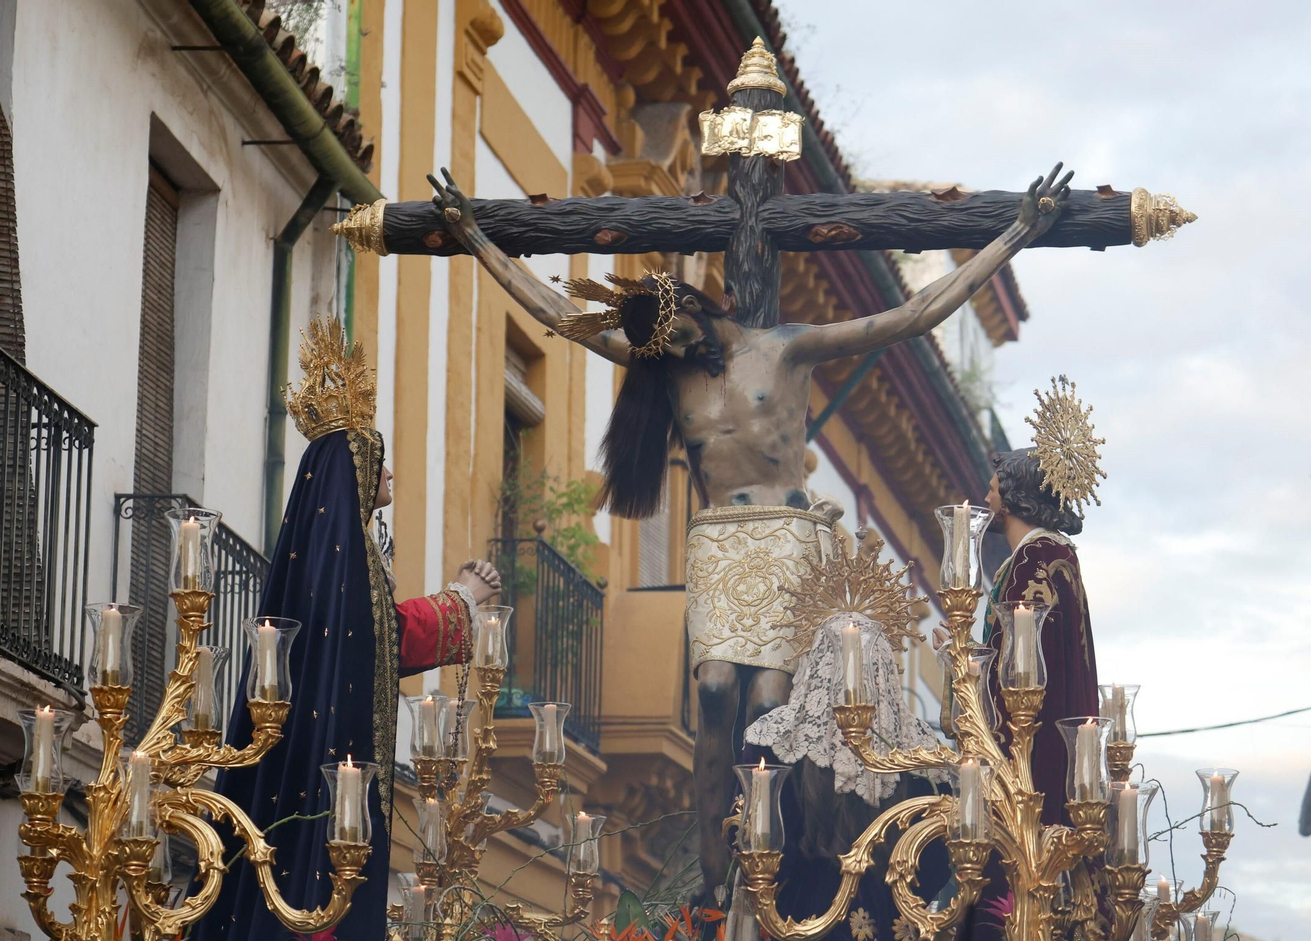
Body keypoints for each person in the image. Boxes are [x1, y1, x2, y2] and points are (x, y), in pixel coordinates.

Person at [426, 162, 1075, 901]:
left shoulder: (786, 348)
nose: (667, 359)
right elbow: (557, 314)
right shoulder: (668, 370)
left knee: (768, 699)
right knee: (711, 693)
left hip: (787, 531)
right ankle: (715, 880)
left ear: (693, 312)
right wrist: (477, 238)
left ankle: (786, 856)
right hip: (719, 537)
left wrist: (1016, 232)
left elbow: (911, 317)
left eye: (672, 343)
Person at [191, 318, 500, 941]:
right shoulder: (343, 559)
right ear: (356, 473)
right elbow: (371, 635)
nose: (389, 472)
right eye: (378, 460)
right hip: (328, 770)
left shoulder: (341, 553)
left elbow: (369, 635)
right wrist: (461, 602)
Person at [919, 378, 1108, 941]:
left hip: (1029, 758)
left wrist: (970, 679)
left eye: (997, 479)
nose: (988, 487)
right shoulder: (1048, 557)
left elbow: (1022, 669)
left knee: (1010, 880)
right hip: (1044, 751)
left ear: (1018, 490)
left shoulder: (1035, 557)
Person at [727, 531, 950, 941]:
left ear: (814, 663)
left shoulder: (773, 741)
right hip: (897, 931)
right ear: (886, 667)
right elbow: (940, 860)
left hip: (803, 925)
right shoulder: (922, 753)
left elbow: (755, 847)